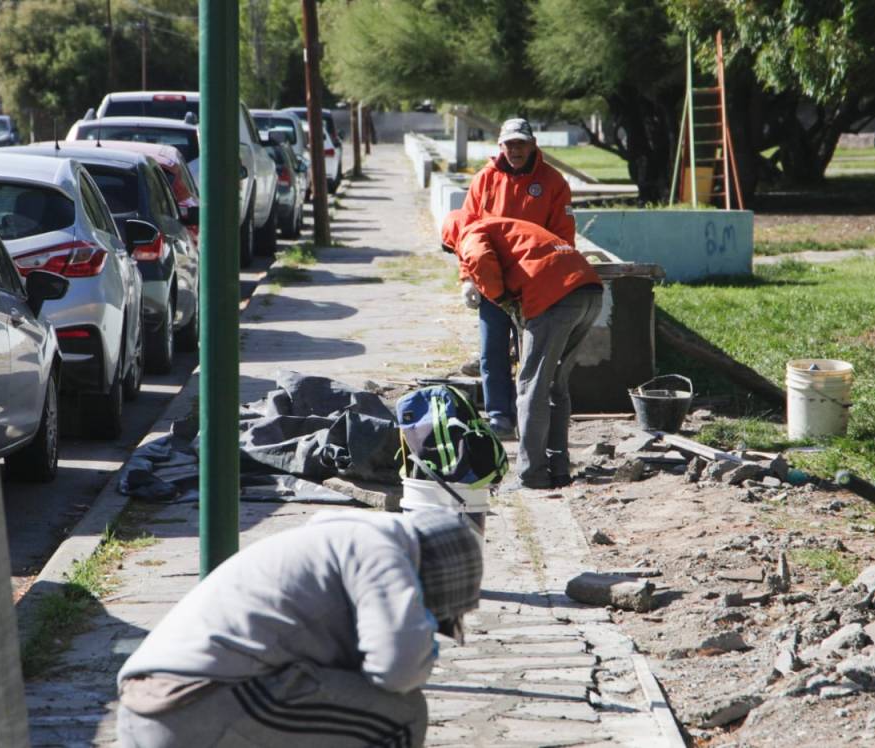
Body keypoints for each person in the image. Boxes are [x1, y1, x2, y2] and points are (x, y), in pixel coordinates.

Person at [116, 509, 483, 748]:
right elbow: (398, 669)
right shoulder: (378, 549)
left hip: (147, 709)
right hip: (192, 707)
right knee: (401, 714)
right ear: (429, 580)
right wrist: (421, 635)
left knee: (331, 704)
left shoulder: (328, 542)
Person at [443, 208, 602, 490]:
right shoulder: (505, 225)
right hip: (588, 291)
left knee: (531, 386)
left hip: (555, 299)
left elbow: (478, 257)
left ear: (452, 234)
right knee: (556, 385)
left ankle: (532, 476)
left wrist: (502, 298)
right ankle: (559, 469)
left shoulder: (470, 231)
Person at [460, 117, 576, 440]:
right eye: (509, 144)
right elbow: (467, 233)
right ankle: (499, 417)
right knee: (491, 351)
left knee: (534, 357)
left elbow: (563, 238)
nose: (515, 150)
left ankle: (531, 420)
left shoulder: (553, 183)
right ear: (500, 146)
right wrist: (467, 278)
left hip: (534, 285)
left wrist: (558, 282)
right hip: (492, 283)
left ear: (532, 144)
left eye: (521, 144)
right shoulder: (483, 181)